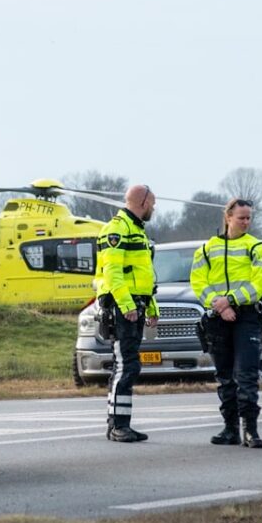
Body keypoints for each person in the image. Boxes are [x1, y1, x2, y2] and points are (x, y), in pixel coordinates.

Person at [190, 198, 262, 448]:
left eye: (249, 218)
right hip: (218, 318)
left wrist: (231, 301)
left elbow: (258, 283)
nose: (246, 222)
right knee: (225, 376)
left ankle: (250, 430)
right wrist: (217, 304)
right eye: (241, 217)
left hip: (246, 316)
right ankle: (230, 428)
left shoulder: (255, 247)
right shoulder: (207, 248)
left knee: (246, 374)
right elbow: (198, 281)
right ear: (228, 217)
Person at [93, 184, 158, 442]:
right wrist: (127, 305)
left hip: (135, 305)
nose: (154, 208)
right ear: (142, 202)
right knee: (126, 365)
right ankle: (119, 426)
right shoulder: (117, 229)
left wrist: (151, 307)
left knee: (126, 365)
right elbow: (113, 272)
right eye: (152, 203)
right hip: (124, 308)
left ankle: (119, 424)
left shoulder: (136, 231)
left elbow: (144, 276)